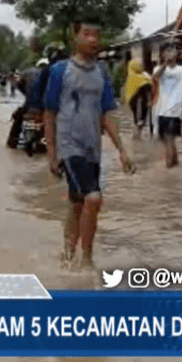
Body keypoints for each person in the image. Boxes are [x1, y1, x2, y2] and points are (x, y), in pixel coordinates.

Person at [44, 20, 132, 268]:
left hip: (93, 148)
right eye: (87, 34)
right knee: (93, 198)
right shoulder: (60, 71)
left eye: (97, 34)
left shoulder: (101, 73)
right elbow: (49, 113)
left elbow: (107, 116)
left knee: (77, 203)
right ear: (76, 37)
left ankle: (68, 255)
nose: (93, 39)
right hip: (68, 147)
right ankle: (87, 260)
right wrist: (52, 152)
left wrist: (122, 150)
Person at [152, 41, 182, 168]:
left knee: (169, 140)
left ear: (177, 54)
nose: (170, 53)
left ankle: (169, 172)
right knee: (167, 142)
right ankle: (175, 168)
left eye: (172, 50)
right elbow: (155, 77)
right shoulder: (159, 69)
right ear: (162, 54)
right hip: (161, 111)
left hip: (175, 112)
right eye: (167, 51)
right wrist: (166, 62)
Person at [123, 58, 152, 139]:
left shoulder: (130, 77)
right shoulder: (142, 77)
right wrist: (149, 101)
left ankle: (136, 137)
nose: (141, 66)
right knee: (140, 120)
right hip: (141, 102)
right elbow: (147, 90)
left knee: (137, 119)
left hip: (133, 103)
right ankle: (136, 137)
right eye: (139, 65)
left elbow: (125, 90)